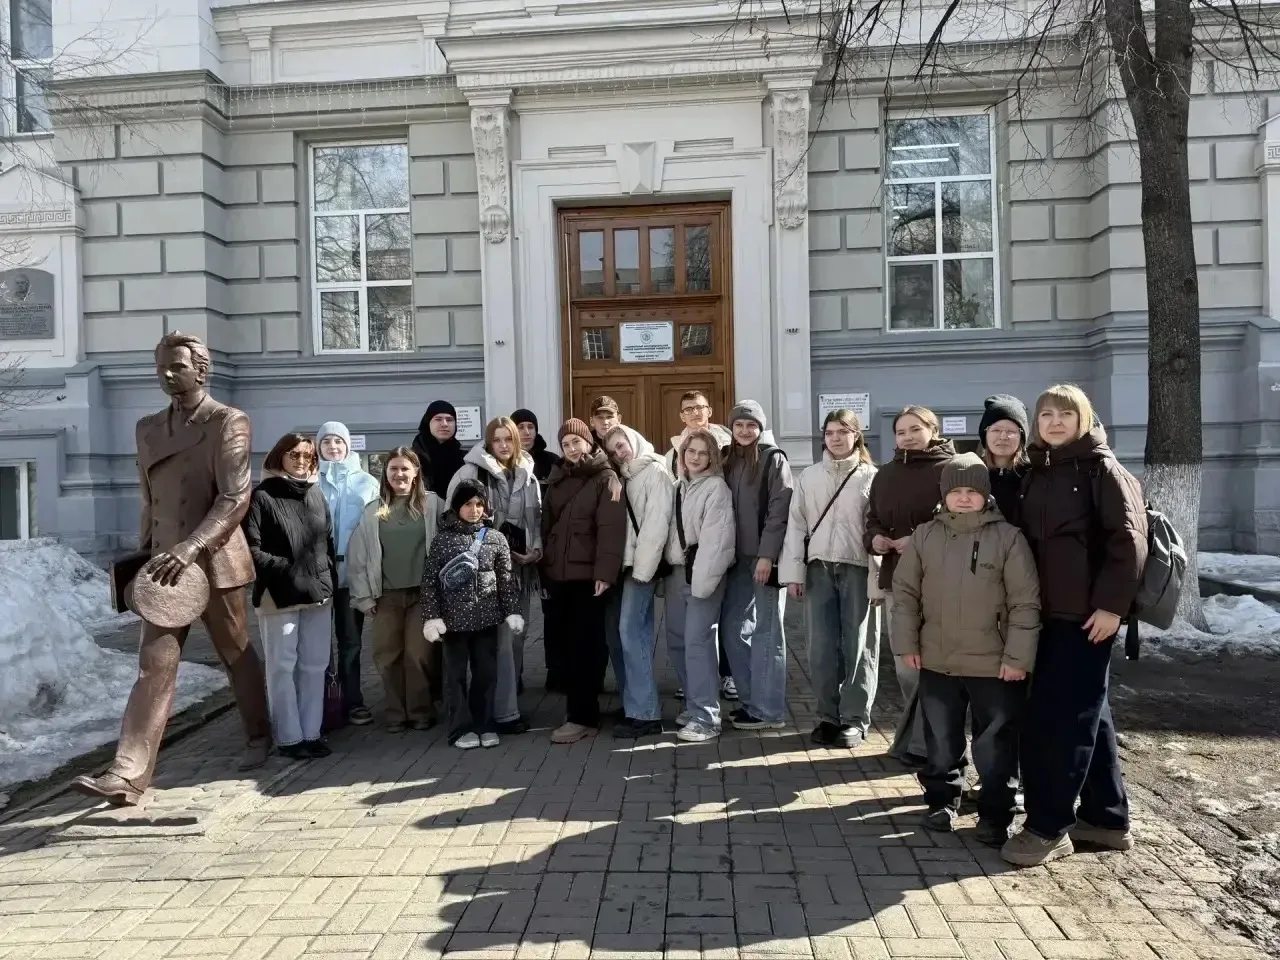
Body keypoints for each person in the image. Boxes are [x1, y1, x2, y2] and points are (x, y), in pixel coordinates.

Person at [72, 332, 270, 807]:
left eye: (177, 366)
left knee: (235, 651)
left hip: (213, 561)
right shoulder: (147, 428)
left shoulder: (227, 421)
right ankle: (127, 773)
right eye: (161, 366)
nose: (166, 374)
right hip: (164, 568)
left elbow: (234, 497)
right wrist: (143, 556)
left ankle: (260, 733)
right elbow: (150, 501)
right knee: (154, 665)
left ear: (201, 370)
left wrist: (192, 546)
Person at [1002, 385, 1148, 867]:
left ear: (1084, 419)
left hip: (1086, 618)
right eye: (1046, 414)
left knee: (1060, 722)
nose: (1055, 422)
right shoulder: (1039, 470)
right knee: (1089, 714)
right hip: (1044, 614)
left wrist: (1111, 607)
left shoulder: (1102, 470)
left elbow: (1129, 541)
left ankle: (1048, 827)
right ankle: (1107, 818)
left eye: (1066, 414)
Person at [891, 453, 1040, 845]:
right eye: (956, 491)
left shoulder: (1008, 538)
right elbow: (905, 594)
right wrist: (907, 643)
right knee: (941, 739)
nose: (963, 498)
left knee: (995, 744)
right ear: (944, 495)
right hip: (938, 658)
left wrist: (1017, 657)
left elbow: (1025, 602)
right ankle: (941, 801)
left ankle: (995, 813)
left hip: (994, 664)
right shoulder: (925, 536)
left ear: (985, 494)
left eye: (972, 491)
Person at [780, 409, 878, 748]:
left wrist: (878, 576)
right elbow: (796, 526)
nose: (835, 438)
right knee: (820, 647)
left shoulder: (871, 477)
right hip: (818, 569)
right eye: (830, 432)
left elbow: (877, 526)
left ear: (856, 435)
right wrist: (793, 573)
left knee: (859, 646)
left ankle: (855, 719)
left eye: (842, 432)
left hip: (857, 567)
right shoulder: (809, 477)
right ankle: (827, 715)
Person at [865, 405, 956, 764]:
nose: (907, 437)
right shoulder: (886, 473)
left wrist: (918, 538)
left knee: (935, 665)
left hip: (941, 581)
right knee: (907, 665)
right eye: (901, 432)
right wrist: (874, 538)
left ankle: (927, 744)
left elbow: (960, 519)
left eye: (915, 429)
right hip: (897, 579)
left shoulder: (952, 469)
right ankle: (919, 737)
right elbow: (872, 517)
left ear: (933, 430)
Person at [242, 433, 337, 760]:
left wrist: (327, 577)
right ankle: (289, 737)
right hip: (279, 593)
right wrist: (287, 568)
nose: (301, 461)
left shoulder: (315, 494)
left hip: (318, 592)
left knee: (315, 664)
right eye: (294, 454)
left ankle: (311, 732)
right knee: (282, 666)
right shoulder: (262, 496)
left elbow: (327, 542)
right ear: (279, 456)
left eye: (308, 456)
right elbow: (250, 549)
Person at [447, 417, 542, 735]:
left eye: (508, 439)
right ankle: (502, 714)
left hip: (520, 570)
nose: (503, 445)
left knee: (514, 640)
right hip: (483, 573)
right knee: (495, 645)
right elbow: (451, 521)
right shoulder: (469, 473)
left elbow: (536, 519)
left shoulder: (528, 473)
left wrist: (535, 550)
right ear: (488, 443)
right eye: (497, 439)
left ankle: (505, 706)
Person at [540, 419, 626, 743]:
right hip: (559, 576)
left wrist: (605, 573)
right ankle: (578, 708)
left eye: (577, 442)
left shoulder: (606, 478)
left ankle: (583, 718)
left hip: (589, 578)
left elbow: (611, 529)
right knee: (566, 648)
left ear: (589, 442)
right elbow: (547, 526)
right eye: (566, 444)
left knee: (585, 647)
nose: (572, 449)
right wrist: (545, 567)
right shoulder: (558, 479)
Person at [421, 479, 524, 749]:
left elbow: (506, 581)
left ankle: (484, 723)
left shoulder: (496, 538)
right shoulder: (442, 540)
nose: (474, 510)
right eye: (468, 504)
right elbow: (430, 582)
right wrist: (432, 617)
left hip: (486, 620)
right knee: (455, 677)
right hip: (454, 623)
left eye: (479, 504)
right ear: (457, 506)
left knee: (486, 674)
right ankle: (460, 728)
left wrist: (512, 611)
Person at [347, 447, 443, 732]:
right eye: (393, 469)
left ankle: (420, 710)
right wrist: (364, 598)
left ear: (415, 472)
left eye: (405, 468)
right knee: (387, 655)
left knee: (418, 654)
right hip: (385, 596)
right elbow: (359, 558)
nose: (399, 474)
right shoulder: (373, 510)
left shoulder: (433, 505)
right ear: (385, 473)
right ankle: (396, 713)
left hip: (423, 596)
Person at [720, 400, 793, 731]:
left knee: (767, 632)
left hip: (765, 559)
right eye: (739, 425)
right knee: (733, 628)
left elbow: (780, 509)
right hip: (735, 559)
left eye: (752, 425)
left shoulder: (773, 459)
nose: (745, 430)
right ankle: (752, 701)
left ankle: (770, 711)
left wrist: (767, 555)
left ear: (760, 428)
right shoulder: (727, 458)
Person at [664, 429, 737, 742]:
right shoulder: (679, 486)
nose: (695, 457)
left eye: (702, 452)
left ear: (712, 457)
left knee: (698, 643)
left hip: (703, 575)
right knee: (678, 642)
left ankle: (707, 717)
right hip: (676, 574)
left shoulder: (716, 488)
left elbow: (717, 542)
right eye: (690, 451)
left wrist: (702, 585)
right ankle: (694, 705)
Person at [603, 424, 674, 739]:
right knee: (628, 635)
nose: (620, 453)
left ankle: (646, 714)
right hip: (627, 567)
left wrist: (643, 572)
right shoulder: (626, 476)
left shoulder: (655, 471)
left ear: (633, 440)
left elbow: (657, 525)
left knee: (632, 634)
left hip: (640, 569)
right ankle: (636, 705)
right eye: (614, 450)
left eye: (622, 445)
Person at [316, 421, 380, 726]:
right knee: (317, 644)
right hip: (318, 575)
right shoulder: (310, 481)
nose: (333, 446)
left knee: (350, 642)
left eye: (338, 441)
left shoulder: (366, 482)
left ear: (348, 445)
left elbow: (375, 528)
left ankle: (353, 701)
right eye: (326, 441)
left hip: (352, 573)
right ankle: (324, 702)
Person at [979, 395, 1030, 523]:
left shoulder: (1033, 475)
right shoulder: (974, 473)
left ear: (1021, 436)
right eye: (996, 430)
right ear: (985, 434)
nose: (1003, 436)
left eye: (1011, 431)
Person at [411, 400, 467, 498]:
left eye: (449, 420)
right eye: (438, 419)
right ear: (428, 422)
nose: (444, 424)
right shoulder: (412, 458)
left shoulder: (465, 459)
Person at [512, 408, 562, 490]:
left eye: (530, 427)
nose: (527, 432)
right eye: (520, 427)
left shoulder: (552, 461)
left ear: (536, 430)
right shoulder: (505, 461)